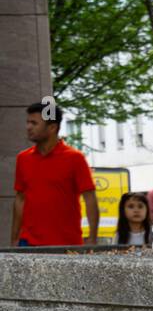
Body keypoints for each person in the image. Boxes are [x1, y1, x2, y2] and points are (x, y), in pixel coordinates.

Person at [11, 100, 98, 246]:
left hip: (67, 243)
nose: (28, 127)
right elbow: (20, 199)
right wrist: (14, 239)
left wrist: (93, 238)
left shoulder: (75, 158)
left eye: (34, 123)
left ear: (52, 127)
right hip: (28, 242)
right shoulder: (23, 158)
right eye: (28, 122)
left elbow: (90, 199)